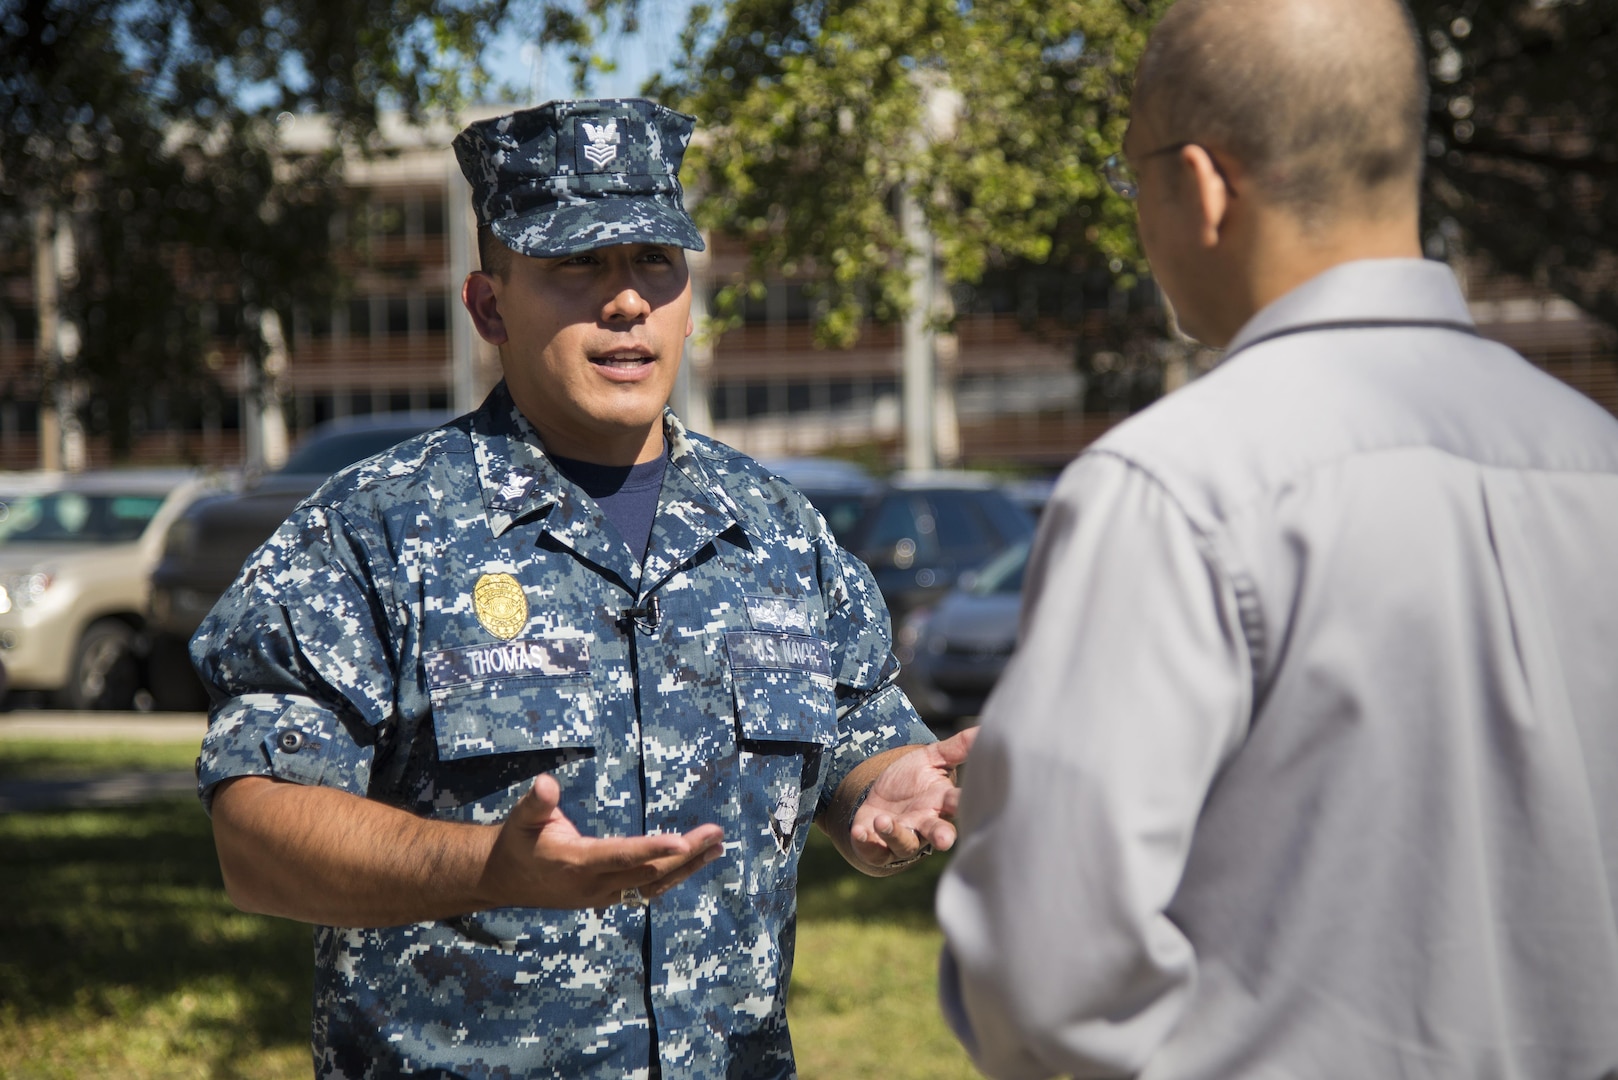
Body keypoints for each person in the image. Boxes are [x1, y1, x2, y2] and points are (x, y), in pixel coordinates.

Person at [195, 97, 973, 1080]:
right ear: (489, 307)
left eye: (654, 261)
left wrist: (889, 789)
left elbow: (861, 745)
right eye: (577, 264)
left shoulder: (782, 534)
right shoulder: (373, 531)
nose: (626, 302)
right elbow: (254, 837)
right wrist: (485, 870)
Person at [936, 0, 1618, 1076]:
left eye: (1131, 181)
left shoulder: (1173, 485)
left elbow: (1046, 976)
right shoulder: (1596, 458)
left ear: (1202, 187)